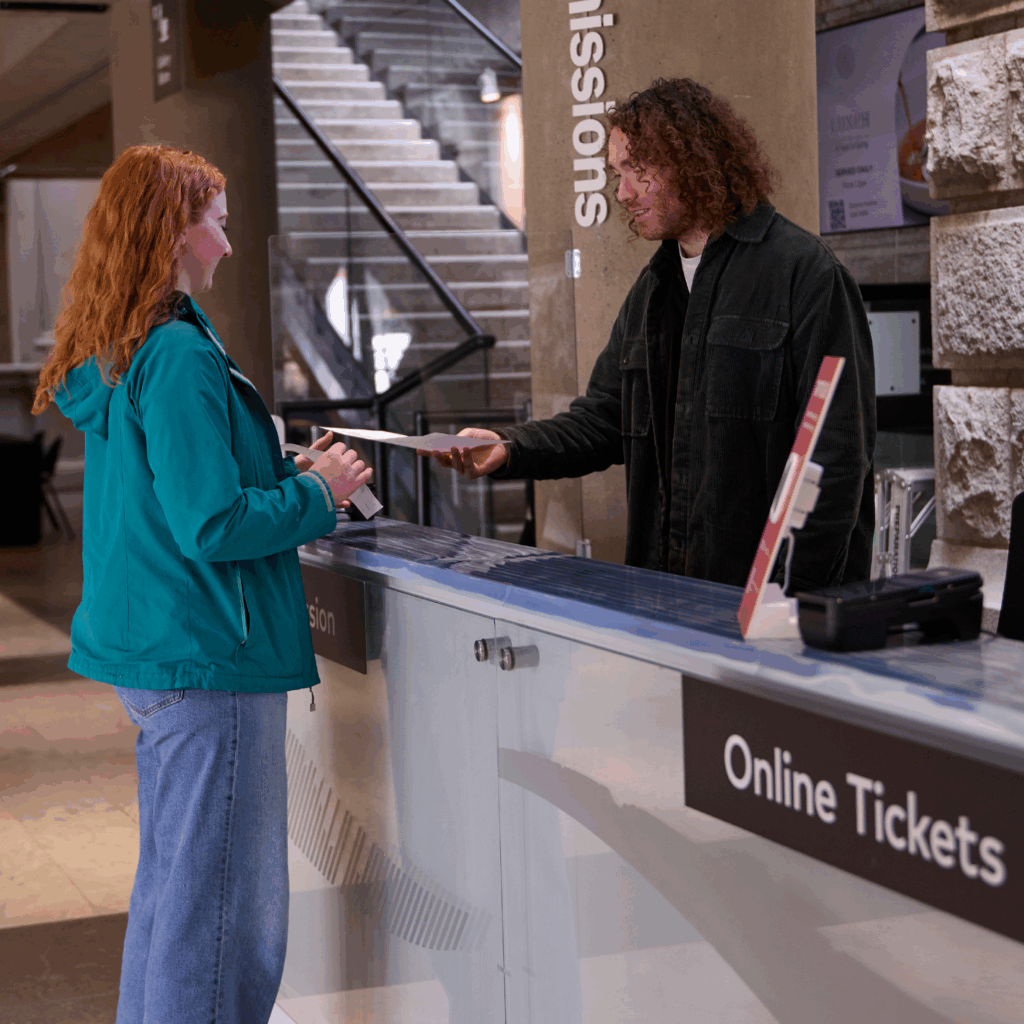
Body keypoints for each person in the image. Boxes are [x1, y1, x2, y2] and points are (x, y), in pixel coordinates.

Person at [31, 144, 372, 1024]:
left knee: (173, 903)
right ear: (176, 232)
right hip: (207, 658)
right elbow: (211, 524)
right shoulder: (179, 352)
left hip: (160, 651)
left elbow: (176, 491)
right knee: (222, 923)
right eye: (217, 219)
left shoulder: (122, 348)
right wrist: (318, 492)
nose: (228, 237)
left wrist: (276, 470)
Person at [429, 78, 876, 593]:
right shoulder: (653, 288)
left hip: (768, 612)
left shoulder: (805, 274)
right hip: (667, 602)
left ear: (691, 160)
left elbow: (837, 460)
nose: (622, 192)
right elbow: (604, 418)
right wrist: (510, 446)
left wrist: (785, 603)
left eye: (637, 169)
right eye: (618, 173)